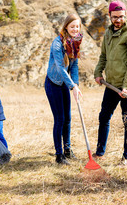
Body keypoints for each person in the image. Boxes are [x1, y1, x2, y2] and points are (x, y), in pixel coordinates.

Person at [93, 1, 127, 166]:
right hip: (111, 85)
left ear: (125, 15)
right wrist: (98, 73)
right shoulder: (107, 33)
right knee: (104, 117)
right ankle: (100, 153)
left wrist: (126, 86)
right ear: (110, 16)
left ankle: (126, 157)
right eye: (115, 17)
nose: (118, 20)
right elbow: (103, 57)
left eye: (121, 17)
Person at [45, 14, 83, 165]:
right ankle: (59, 155)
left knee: (67, 118)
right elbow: (61, 68)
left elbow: (74, 66)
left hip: (64, 84)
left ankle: (67, 150)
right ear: (66, 26)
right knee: (59, 119)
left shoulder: (76, 42)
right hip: (53, 83)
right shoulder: (57, 43)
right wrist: (72, 86)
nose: (75, 29)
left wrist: (76, 84)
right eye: (72, 26)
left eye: (77, 26)